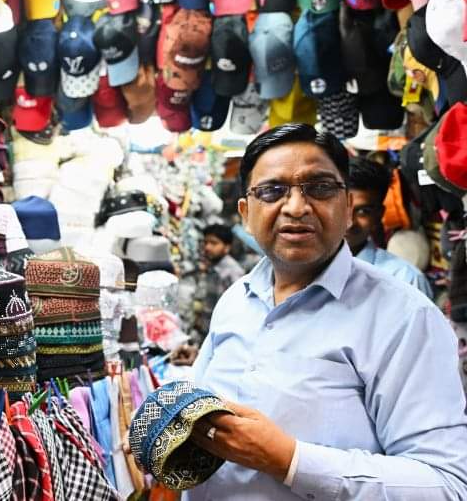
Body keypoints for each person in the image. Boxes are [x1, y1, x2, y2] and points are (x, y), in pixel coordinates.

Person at [184, 123, 467, 500]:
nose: (297, 207)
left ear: (348, 208)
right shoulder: (236, 300)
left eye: (319, 188)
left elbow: (446, 484)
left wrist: (290, 461)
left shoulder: (403, 317)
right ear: (246, 214)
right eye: (272, 191)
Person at [346, 157, 433, 298]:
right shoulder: (302, 271)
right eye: (340, 209)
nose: (349, 222)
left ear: (379, 215)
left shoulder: (404, 280)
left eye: (363, 211)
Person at [191, 224, 246, 339]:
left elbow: (239, 309)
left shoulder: (233, 271)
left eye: (214, 243)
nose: (207, 247)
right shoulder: (212, 267)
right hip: (207, 331)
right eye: (206, 242)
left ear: (227, 247)